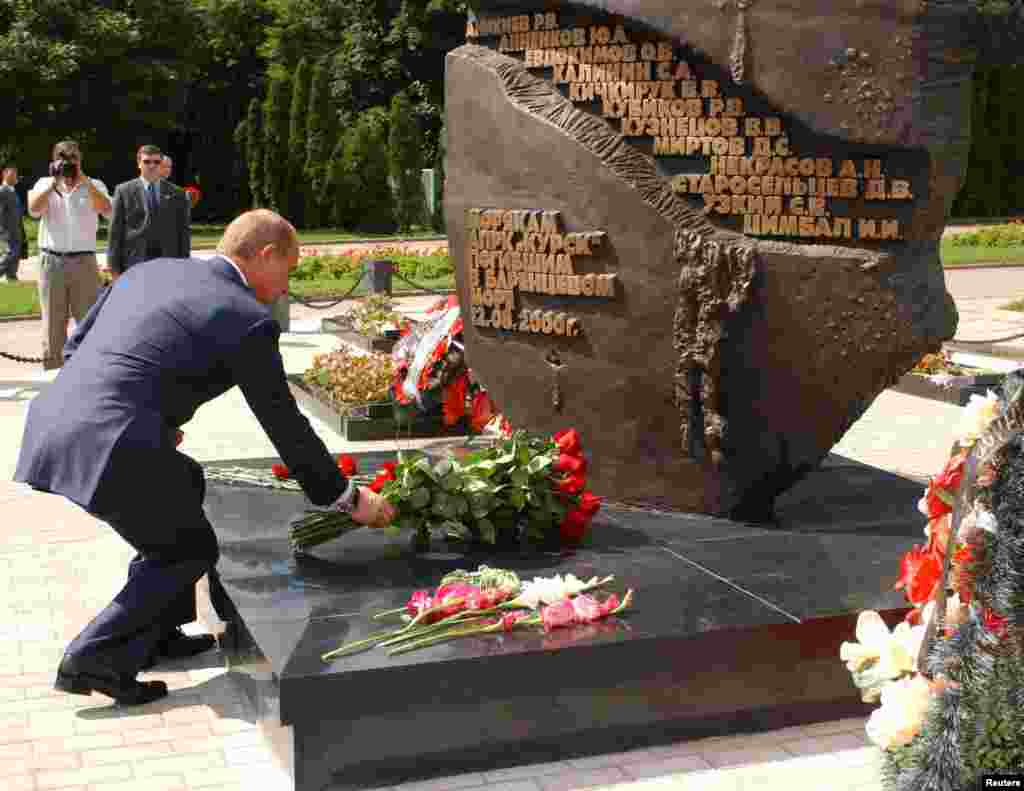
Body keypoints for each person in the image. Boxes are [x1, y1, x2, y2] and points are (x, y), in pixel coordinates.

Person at [14, 209, 397, 705]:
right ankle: (94, 656)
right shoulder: (246, 318)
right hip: (110, 441)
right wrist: (346, 497)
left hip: (56, 421)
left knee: (185, 483)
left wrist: (151, 418)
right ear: (265, 256)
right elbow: (284, 423)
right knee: (185, 550)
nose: (286, 286)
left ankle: (158, 633)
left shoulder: (153, 271)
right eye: (289, 269)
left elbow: (78, 344)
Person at [27, 140, 112, 370]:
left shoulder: (94, 185)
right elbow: (33, 210)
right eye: (64, 158)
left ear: (80, 160)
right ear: (54, 161)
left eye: (73, 158)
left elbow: (108, 210)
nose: (69, 163)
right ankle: (54, 371)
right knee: (53, 321)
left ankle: (88, 368)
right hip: (51, 261)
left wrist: (85, 181)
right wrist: (53, 183)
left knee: (88, 318)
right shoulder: (44, 184)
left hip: (84, 261)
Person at [107, 145, 191, 279]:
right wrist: (113, 267)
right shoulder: (123, 191)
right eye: (147, 162)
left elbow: (183, 232)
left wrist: (185, 264)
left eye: (157, 162)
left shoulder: (178, 193)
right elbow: (115, 231)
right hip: (134, 263)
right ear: (139, 164)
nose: (152, 166)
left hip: (168, 263)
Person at [0, 165, 24, 281]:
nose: (15, 176)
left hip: (16, 229)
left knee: (14, 257)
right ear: (4, 174)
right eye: (12, 174)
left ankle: (12, 279)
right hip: (8, 230)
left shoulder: (13, 191)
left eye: (16, 174)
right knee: (10, 254)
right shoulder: (2, 191)